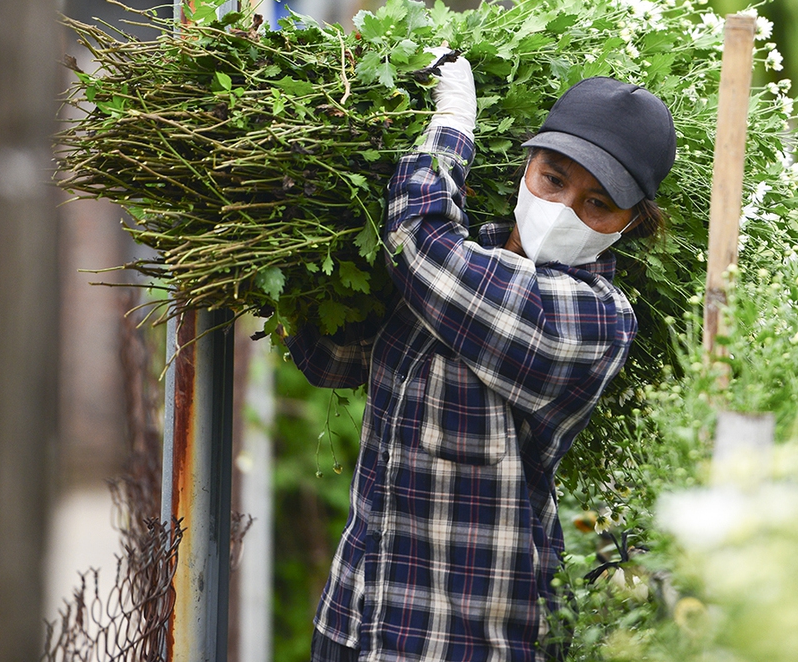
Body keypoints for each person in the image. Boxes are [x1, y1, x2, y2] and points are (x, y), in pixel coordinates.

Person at [290, 58, 679, 662]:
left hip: (466, 642)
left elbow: (418, 239)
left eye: (597, 203)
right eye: (553, 179)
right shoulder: (467, 252)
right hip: (355, 619)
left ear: (630, 224)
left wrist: (446, 134)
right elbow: (331, 363)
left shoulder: (594, 320)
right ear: (526, 168)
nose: (564, 209)